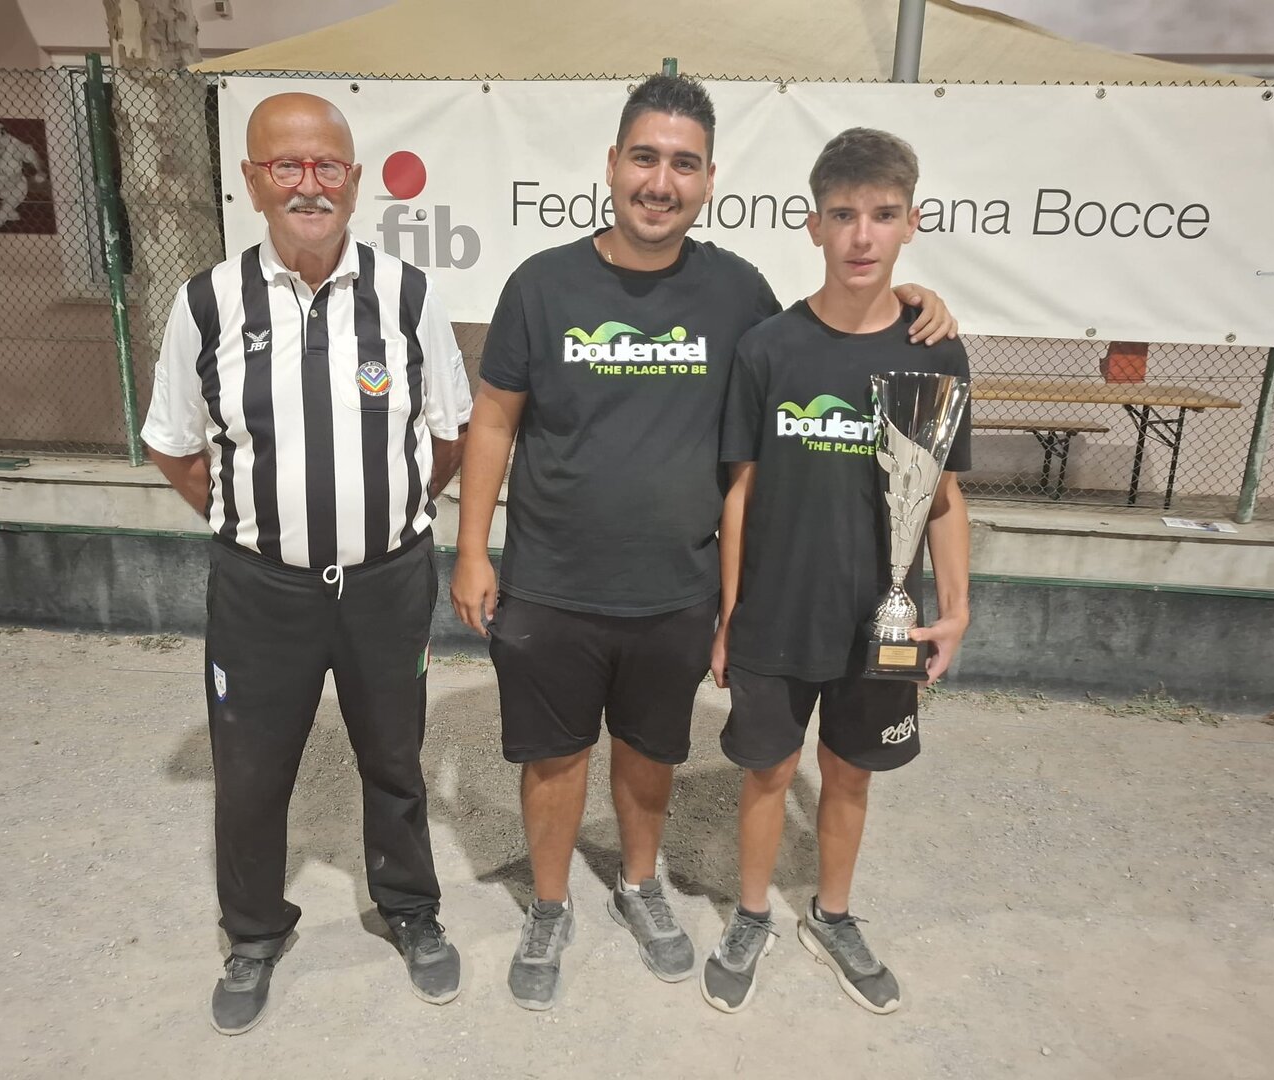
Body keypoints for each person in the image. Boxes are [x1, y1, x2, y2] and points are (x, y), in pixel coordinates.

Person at [450, 76, 957, 1011]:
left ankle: (640, 886)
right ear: (613, 164)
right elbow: (493, 419)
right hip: (551, 579)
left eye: (684, 164)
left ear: (710, 179)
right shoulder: (542, 284)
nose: (661, 181)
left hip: (677, 584)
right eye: (645, 158)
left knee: (650, 750)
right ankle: (550, 906)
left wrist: (914, 300)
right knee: (553, 757)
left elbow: (830, 335)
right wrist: (472, 548)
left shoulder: (738, 293)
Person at [140, 92, 472, 1035]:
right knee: (250, 772)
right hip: (261, 593)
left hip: (386, 586)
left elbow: (448, 433)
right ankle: (253, 933)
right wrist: (256, 524)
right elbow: (173, 444)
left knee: (395, 759)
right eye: (286, 166)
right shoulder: (207, 303)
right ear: (252, 182)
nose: (309, 185)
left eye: (327, 166)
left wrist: (385, 514)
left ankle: (409, 909)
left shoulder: (408, 296)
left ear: (356, 182)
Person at [699, 127, 972, 1016]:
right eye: (844, 215)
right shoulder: (769, 348)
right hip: (778, 613)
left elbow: (943, 498)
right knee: (768, 772)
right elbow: (740, 490)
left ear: (911, 223)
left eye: (883, 215)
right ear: (813, 225)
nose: (862, 235)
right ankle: (750, 914)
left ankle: (833, 914)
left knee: (850, 772)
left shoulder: (936, 351)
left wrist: (957, 609)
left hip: (882, 619)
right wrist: (730, 613)